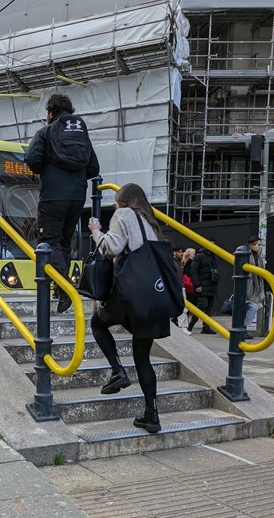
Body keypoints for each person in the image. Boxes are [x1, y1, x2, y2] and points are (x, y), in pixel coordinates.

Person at [87, 183, 170, 434]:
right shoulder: (150, 221)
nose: (114, 205)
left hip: (130, 292)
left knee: (98, 323)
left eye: (116, 201)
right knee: (142, 357)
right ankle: (151, 415)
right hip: (154, 294)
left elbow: (110, 248)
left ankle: (117, 371)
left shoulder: (123, 214)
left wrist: (96, 231)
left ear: (124, 201)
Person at [25, 93, 100, 314]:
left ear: (50, 112)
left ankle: (66, 288)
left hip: (52, 197)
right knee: (64, 243)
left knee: (49, 242)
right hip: (77, 197)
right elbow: (94, 168)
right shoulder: (81, 135)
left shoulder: (46, 132)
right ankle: (60, 288)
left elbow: (31, 159)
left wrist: (45, 170)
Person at [186, 245, 219, 334]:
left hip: (211, 286)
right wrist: (197, 285)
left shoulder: (213, 257)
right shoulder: (199, 256)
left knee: (208, 308)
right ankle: (191, 325)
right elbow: (194, 271)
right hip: (202, 286)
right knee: (202, 305)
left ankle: (206, 327)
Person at [244, 235, 265, 338]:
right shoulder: (246, 254)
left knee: (253, 307)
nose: (260, 247)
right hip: (246, 285)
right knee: (250, 307)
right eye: (259, 245)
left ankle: (244, 328)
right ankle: (243, 328)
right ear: (252, 245)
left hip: (254, 286)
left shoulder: (258, 256)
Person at [171, 245, 184, 326]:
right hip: (174, 288)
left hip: (181, 287)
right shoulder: (172, 263)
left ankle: (183, 325)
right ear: (174, 253)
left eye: (182, 252)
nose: (182, 254)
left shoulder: (181, 263)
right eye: (180, 252)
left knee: (183, 308)